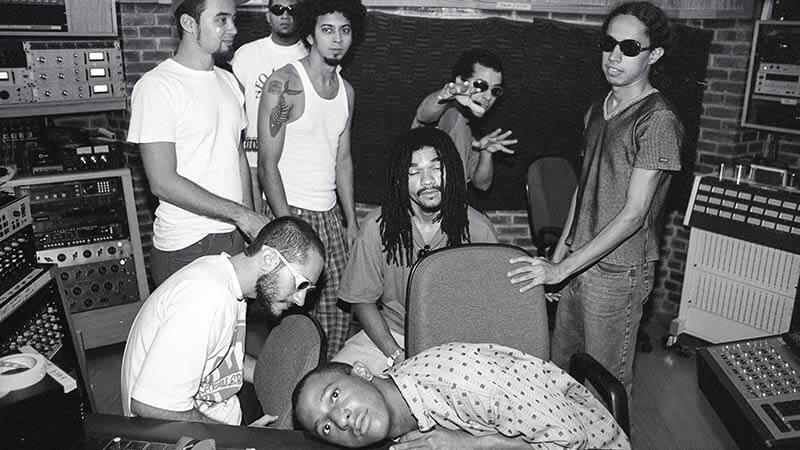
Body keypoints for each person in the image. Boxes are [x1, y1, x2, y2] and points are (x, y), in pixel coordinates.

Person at [507, 1, 683, 397]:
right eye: (608, 44)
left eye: (630, 48)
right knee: (562, 374)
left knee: (607, 387)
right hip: (578, 260)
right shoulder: (597, 109)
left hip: (619, 272)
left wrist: (562, 268)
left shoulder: (657, 119)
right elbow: (584, 191)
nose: (614, 57)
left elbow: (634, 215)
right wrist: (558, 260)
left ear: (654, 55)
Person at [121, 216, 325, 426]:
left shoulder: (224, 278)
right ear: (268, 259)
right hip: (196, 434)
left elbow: (220, 357)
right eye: (301, 284)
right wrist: (238, 438)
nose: (301, 300)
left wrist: (281, 379)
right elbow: (150, 405)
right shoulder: (206, 297)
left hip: (221, 422)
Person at [331, 127, 498, 374]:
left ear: (452, 171)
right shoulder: (377, 226)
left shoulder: (478, 229)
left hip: (457, 342)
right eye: (414, 171)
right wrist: (395, 353)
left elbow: (491, 306)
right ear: (400, 178)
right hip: (391, 336)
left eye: (436, 168)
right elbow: (362, 300)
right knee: (335, 382)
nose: (427, 180)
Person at [128, 0, 267, 286]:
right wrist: (241, 215)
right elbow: (162, 182)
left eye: (233, 19)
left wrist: (250, 221)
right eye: (221, 20)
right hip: (188, 245)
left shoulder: (229, 81)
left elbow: (237, 154)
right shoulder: (157, 86)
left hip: (234, 236)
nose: (233, 29)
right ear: (189, 24)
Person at [257, 0, 366, 359]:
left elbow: (343, 160)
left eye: (345, 30)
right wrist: (289, 228)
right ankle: (288, 388)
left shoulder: (347, 92)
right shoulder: (284, 83)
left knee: (338, 317)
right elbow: (267, 164)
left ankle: (324, 387)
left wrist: (350, 221)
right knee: (292, 321)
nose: (337, 39)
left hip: (329, 216)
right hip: (291, 212)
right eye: (327, 29)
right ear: (309, 33)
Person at [294, 342, 630, 449]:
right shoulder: (399, 406)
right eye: (326, 427)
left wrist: (472, 444)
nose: (340, 420)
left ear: (362, 372)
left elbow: (571, 441)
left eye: (334, 395)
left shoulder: (472, 385)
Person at [231, 0, 308, 213]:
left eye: (292, 10)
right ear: (268, 16)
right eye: (278, 9)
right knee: (255, 226)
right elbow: (234, 109)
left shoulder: (311, 55)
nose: (285, 15)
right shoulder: (247, 54)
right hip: (251, 162)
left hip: (292, 167)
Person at [412, 49, 517, 191]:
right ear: (460, 81)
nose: (488, 97)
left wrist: (486, 153)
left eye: (495, 91)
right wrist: (444, 96)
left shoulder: (471, 130)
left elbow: (482, 185)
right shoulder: (451, 111)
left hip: (452, 203)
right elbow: (424, 115)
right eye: (481, 85)